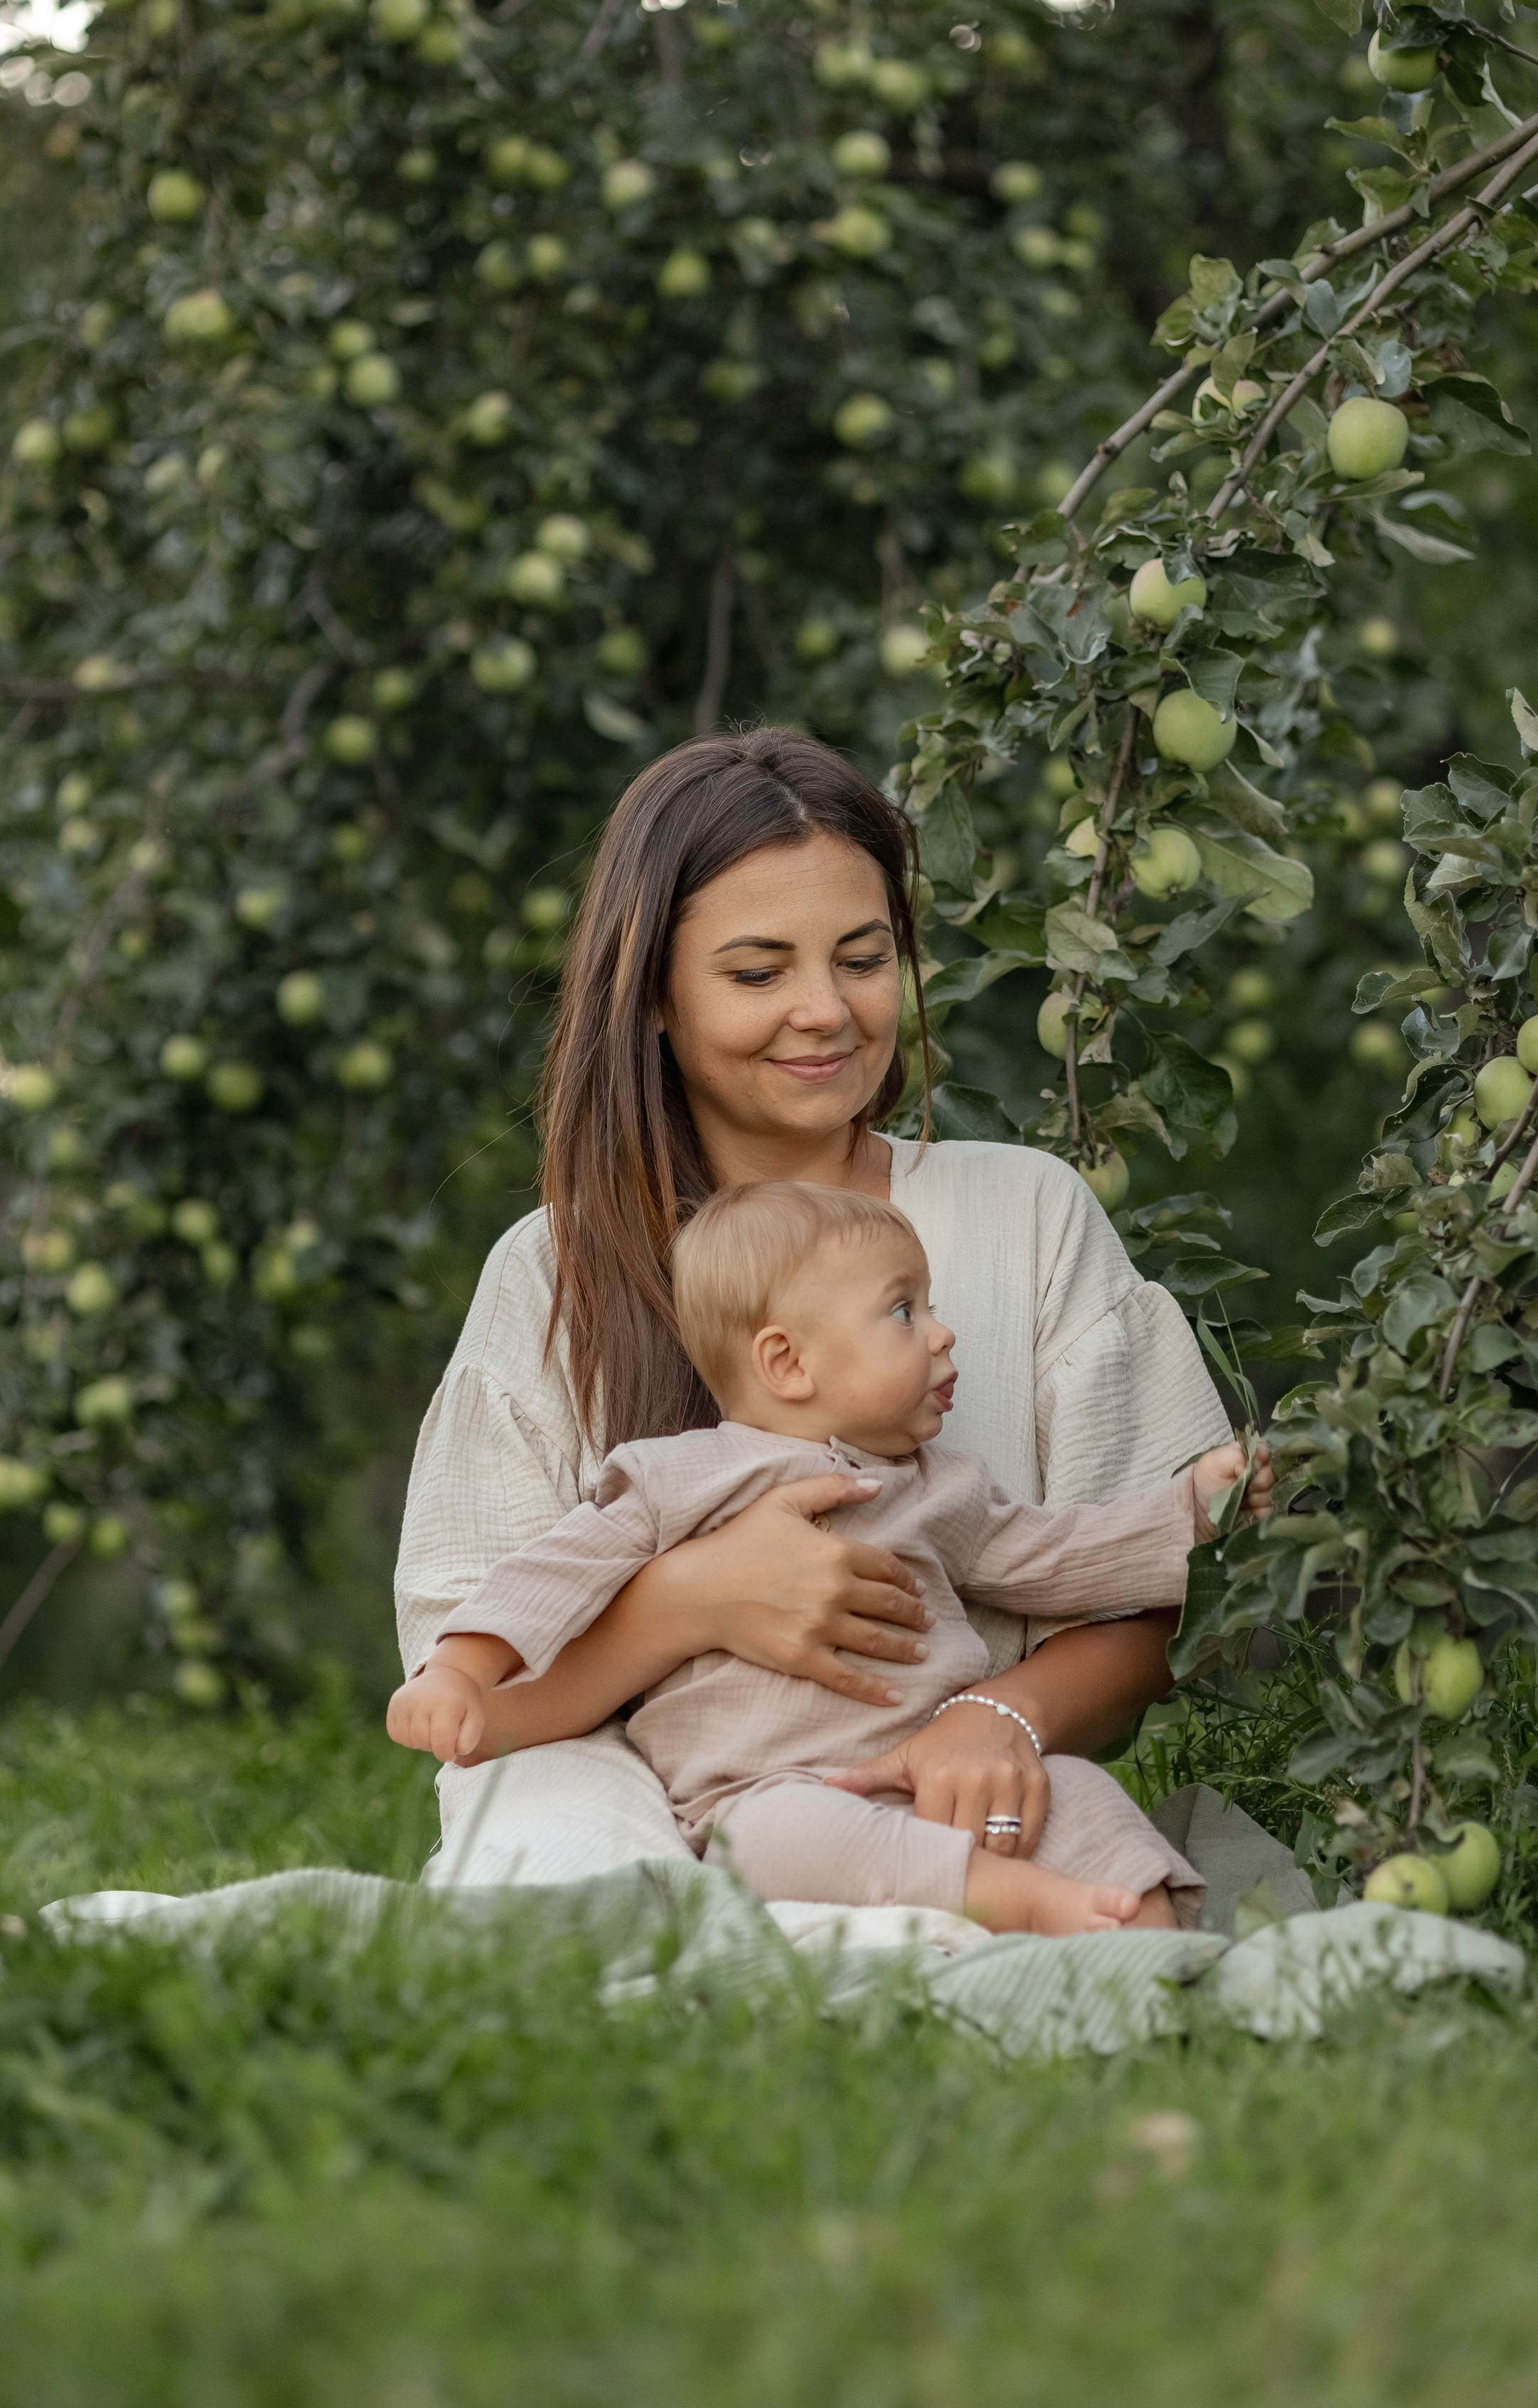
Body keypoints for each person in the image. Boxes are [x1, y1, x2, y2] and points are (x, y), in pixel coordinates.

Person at [393, 728, 1240, 1893]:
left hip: (942, 1770)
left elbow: (1140, 1589)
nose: (826, 1011)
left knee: (1091, 1857)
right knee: (556, 1858)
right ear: (651, 999)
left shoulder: (1023, 1212)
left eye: (863, 958)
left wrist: (1001, 1716)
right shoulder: (556, 1273)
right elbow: (479, 1700)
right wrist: (689, 1604)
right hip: (639, 1780)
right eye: (757, 973)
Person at [391, 1181, 1271, 1932]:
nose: (942, 1333)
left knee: (1079, 1797)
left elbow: (1058, 1557)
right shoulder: (679, 1474)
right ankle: (1010, 1902)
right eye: (904, 1311)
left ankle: (1150, 1942)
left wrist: (1193, 1511)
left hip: (933, 1778)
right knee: (768, 1844)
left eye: (929, 1305)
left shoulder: (942, 1486)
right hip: (765, 1794)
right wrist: (460, 1673)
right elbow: (552, 1576)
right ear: (786, 1362)